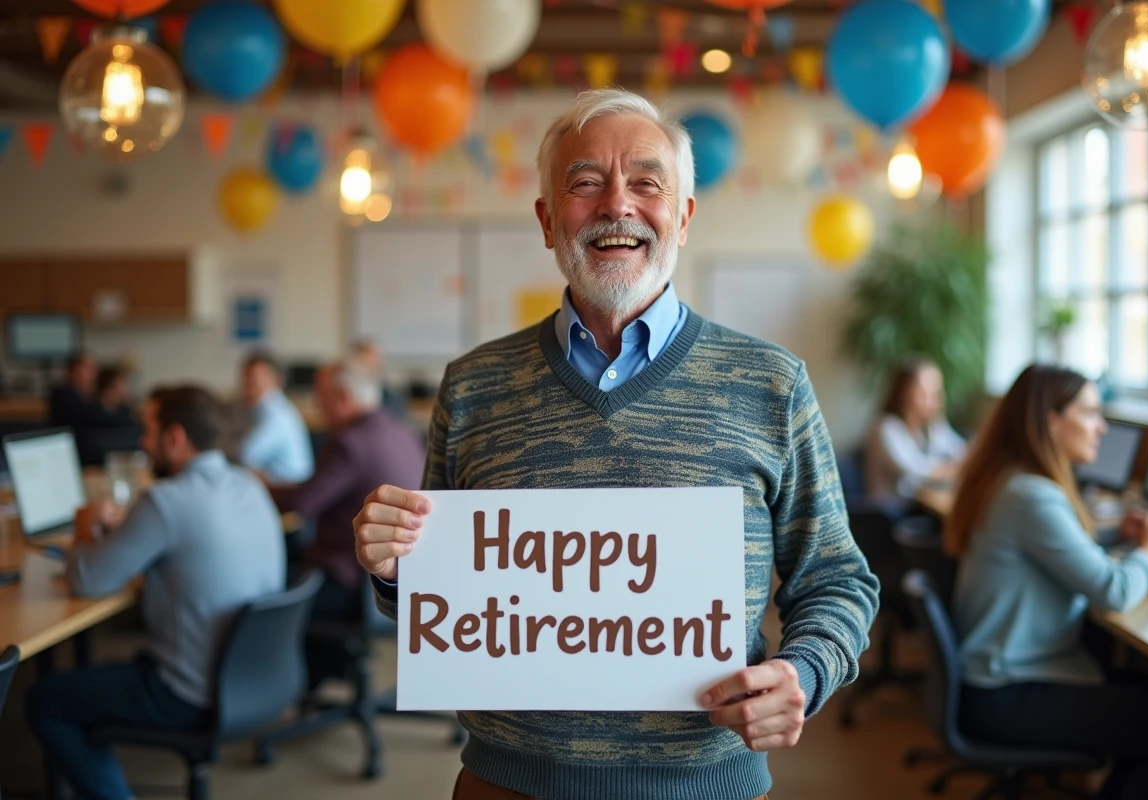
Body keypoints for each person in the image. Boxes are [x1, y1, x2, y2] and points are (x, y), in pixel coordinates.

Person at [351, 89, 879, 800]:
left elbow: (837, 579)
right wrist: (393, 568)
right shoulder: (472, 386)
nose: (616, 205)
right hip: (506, 785)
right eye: (585, 182)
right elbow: (438, 601)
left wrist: (803, 673)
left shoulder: (772, 384)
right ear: (547, 220)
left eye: (646, 182)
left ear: (683, 217)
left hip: (704, 787)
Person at [947, 365, 1148, 800]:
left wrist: (1113, 538)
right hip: (1008, 691)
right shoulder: (1033, 495)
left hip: (996, 677)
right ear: (1051, 419)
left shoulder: (1010, 479)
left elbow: (1053, 549)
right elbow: (1114, 591)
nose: (1102, 427)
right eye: (1089, 413)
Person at [25, 386, 286, 800]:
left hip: (186, 695)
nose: (142, 444)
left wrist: (83, 527)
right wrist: (128, 535)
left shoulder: (166, 501)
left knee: (44, 699)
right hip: (255, 680)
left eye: (148, 432)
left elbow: (86, 580)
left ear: (175, 438)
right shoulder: (249, 485)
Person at [271, 360, 424, 684]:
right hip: (407, 579)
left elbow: (303, 503)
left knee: (267, 588)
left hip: (355, 583)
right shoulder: (402, 431)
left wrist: (258, 486)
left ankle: (292, 683)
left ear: (341, 397)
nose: (317, 406)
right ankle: (333, 668)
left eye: (320, 396)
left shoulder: (350, 443)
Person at [864, 355, 967, 500]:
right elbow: (916, 471)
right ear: (905, 393)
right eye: (926, 392)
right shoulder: (886, 428)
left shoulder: (930, 425)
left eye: (937, 393)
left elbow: (960, 450)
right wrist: (953, 469)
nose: (935, 400)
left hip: (919, 505)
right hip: (893, 513)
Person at [239, 351, 314, 485]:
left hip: (289, 489)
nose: (247, 386)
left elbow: (246, 456)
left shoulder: (276, 414)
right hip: (283, 486)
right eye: (246, 379)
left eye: (254, 380)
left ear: (276, 380)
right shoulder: (259, 409)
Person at [47, 352, 97, 436]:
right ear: (74, 371)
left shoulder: (85, 396)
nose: (93, 374)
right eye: (88, 369)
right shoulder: (65, 397)